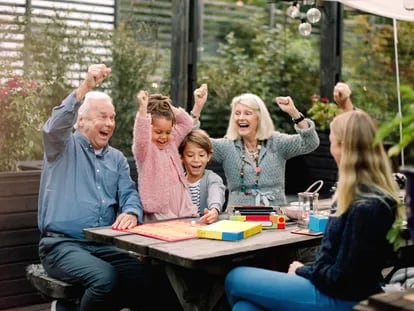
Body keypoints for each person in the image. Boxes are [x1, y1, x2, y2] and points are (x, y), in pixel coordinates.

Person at [225, 110, 399, 311]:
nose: (331, 149)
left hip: (342, 299)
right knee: (245, 308)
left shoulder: (366, 207)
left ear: (344, 148)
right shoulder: (363, 196)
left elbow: (342, 280)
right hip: (333, 290)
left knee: (235, 277)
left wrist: (302, 271)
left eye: (332, 142)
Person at [37, 64, 154, 311]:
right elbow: (52, 127)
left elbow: (130, 194)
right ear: (81, 121)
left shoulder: (117, 159)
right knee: (104, 278)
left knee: (144, 276)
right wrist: (86, 87)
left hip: (103, 246)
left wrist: (131, 212)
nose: (109, 123)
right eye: (102, 116)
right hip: (62, 245)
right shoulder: (62, 148)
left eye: (112, 117)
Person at [195, 92, 320, 207]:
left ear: (259, 118)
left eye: (247, 113)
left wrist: (294, 113)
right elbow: (193, 140)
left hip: (275, 218)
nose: (241, 118)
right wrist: (197, 107)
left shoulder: (277, 142)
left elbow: (310, 143)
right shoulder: (226, 146)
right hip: (239, 219)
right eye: (237, 113)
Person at [132, 86, 207, 221]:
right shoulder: (145, 150)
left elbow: (187, 123)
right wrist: (143, 111)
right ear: (149, 129)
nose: (164, 137)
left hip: (182, 204)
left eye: (168, 132)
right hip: (159, 210)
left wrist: (167, 106)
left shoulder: (171, 143)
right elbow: (141, 135)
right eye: (158, 132)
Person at [179, 129, 226, 224]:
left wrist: (214, 210)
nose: (196, 160)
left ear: (208, 156)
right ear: (181, 157)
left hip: (205, 228)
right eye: (190, 155)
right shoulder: (178, 181)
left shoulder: (212, 179)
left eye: (201, 155)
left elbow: (216, 193)